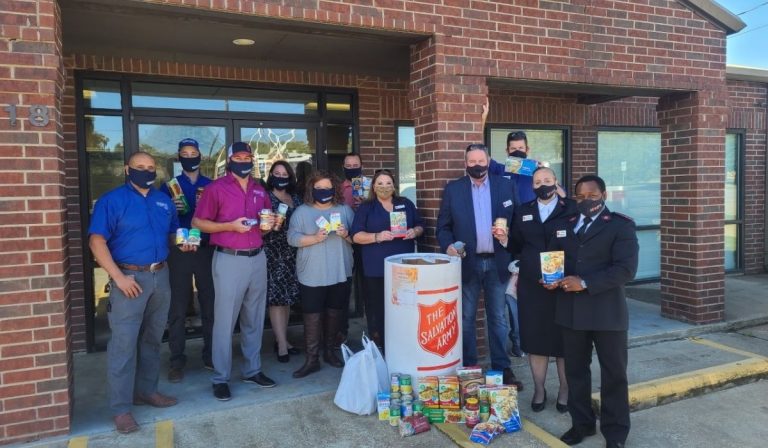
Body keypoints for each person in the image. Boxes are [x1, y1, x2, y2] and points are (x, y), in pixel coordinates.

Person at [89, 151, 189, 434]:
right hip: (128, 279)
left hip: (161, 274)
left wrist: (183, 242)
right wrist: (118, 277)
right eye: (140, 167)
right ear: (127, 170)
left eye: (151, 168)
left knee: (153, 339)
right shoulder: (112, 201)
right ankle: (121, 409)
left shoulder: (163, 200)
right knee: (123, 344)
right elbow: (97, 242)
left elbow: (171, 234)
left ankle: (147, 391)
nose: (146, 172)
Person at [547, 175, 639, 448]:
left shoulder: (621, 226)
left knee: (614, 374)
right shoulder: (565, 225)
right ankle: (582, 424)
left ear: (604, 195)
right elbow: (555, 258)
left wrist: (585, 283)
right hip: (571, 312)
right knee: (576, 372)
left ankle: (616, 433)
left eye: (592, 195)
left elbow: (626, 270)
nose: (586, 200)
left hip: (606, 313)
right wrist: (552, 277)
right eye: (581, 196)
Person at [192, 141, 276, 401]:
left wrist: (270, 224)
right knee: (225, 321)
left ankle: (252, 370)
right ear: (229, 160)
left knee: (254, 318)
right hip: (229, 260)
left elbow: (264, 225)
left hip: (257, 258)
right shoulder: (216, 189)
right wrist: (229, 226)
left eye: (247, 156)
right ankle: (220, 377)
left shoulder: (259, 190)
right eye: (238, 156)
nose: (244, 160)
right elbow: (198, 223)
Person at [437, 144, 523, 390]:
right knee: (466, 317)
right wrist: (449, 246)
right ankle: (470, 369)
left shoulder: (505, 185)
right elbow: (443, 227)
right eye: (472, 161)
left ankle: (502, 369)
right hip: (468, 262)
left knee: (498, 317)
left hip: (498, 263)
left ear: (488, 161)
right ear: (466, 163)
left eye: (481, 160)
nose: (476, 164)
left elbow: (517, 223)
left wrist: (514, 248)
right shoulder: (454, 189)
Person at [494, 167, 578, 413]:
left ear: (556, 182)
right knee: (535, 339)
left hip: (564, 283)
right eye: (538, 181)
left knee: (564, 341)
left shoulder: (571, 208)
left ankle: (565, 391)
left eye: (547, 180)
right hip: (532, 284)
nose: (543, 184)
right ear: (532, 186)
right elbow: (518, 246)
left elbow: (579, 243)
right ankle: (539, 389)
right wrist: (504, 239)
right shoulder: (523, 211)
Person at [287, 171, 355, 378]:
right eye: (319, 188)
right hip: (312, 273)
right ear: (311, 190)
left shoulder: (344, 210)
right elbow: (292, 238)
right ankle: (312, 358)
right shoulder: (301, 212)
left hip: (339, 270)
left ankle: (330, 352)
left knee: (334, 312)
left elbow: (357, 239)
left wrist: (346, 235)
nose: (323, 191)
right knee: (312, 316)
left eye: (327, 187)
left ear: (334, 189)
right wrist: (315, 238)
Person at [350, 169, 425, 351]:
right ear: (373, 187)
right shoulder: (367, 208)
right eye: (380, 184)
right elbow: (356, 236)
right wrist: (377, 236)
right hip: (375, 269)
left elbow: (421, 225)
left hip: (403, 269)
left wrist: (414, 232)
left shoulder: (405, 204)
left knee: (404, 308)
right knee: (377, 311)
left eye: (388, 183)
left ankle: (403, 347)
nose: (385, 187)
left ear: (394, 185)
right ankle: (379, 347)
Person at [160, 138, 215, 383]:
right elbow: (162, 218)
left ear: (200, 156)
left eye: (193, 153)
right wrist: (172, 208)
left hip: (206, 249)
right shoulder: (169, 186)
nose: (189, 156)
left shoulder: (211, 185)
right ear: (178, 157)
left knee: (210, 304)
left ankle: (211, 354)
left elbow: (221, 216)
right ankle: (177, 359)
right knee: (178, 307)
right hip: (179, 250)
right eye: (185, 153)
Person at [263, 160, 302, 362]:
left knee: (287, 299)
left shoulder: (294, 197)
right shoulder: (265, 197)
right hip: (272, 252)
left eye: (284, 174)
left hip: (293, 253)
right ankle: (281, 345)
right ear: (271, 175)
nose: (280, 177)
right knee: (276, 300)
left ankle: (284, 339)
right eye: (276, 173)